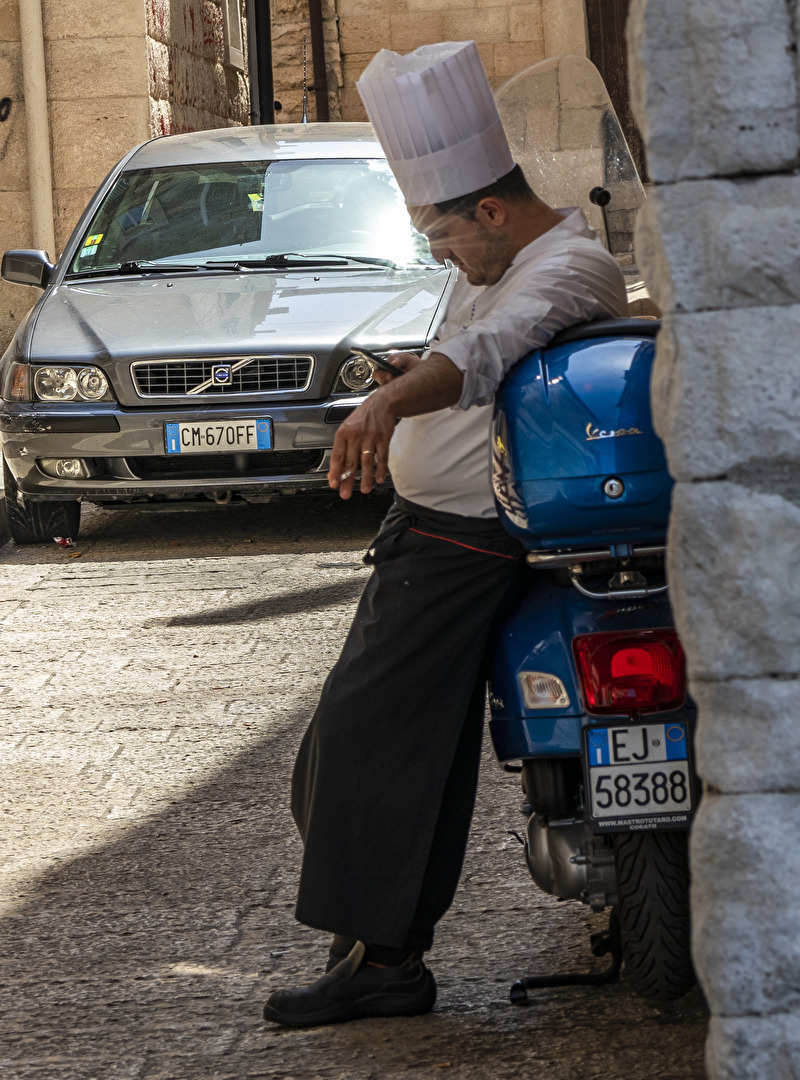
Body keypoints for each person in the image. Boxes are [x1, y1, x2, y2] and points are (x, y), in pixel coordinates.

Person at [263, 41, 628, 1029]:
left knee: (382, 743)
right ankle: (370, 941)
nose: (444, 255)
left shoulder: (568, 266)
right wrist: (398, 381)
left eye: (444, 238)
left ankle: (386, 963)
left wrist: (383, 412)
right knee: (348, 740)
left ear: (491, 211)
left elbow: (484, 351)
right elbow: (457, 342)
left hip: (465, 540)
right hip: (426, 529)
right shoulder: (503, 257)